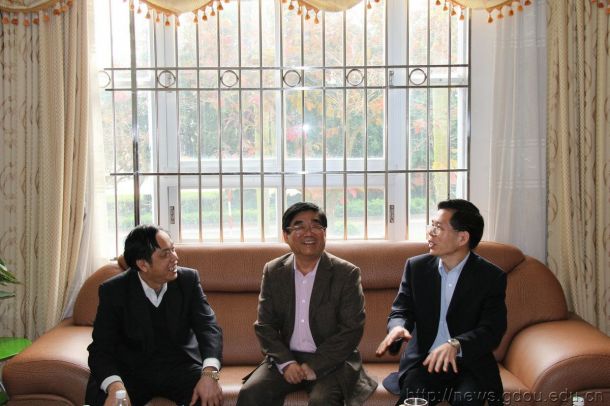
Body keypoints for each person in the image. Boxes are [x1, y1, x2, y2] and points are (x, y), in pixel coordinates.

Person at [236, 202, 377, 406]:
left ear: (324, 233)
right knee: (251, 393)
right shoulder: (274, 271)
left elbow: (351, 329)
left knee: (322, 400)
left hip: (332, 361)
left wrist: (314, 365)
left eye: (316, 226)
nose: (309, 232)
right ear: (286, 236)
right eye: (299, 226)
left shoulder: (346, 274)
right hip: (286, 357)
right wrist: (287, 363)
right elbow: (265, 325)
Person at [376, 199, 507, 406]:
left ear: (462, 237)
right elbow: (401, 310)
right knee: (413, 402)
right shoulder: (416, 267)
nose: (430, 233)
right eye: (431, 225)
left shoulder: (490, 277)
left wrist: (456, 344)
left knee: (467, 401)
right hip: (425, 363)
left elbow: (492, 329)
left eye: (438, 227)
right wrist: (398, 327)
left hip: (469, 364)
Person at [86, 225, 223, 406]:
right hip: (130, 371)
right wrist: (115, 387)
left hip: (180, 367)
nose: (175, 257)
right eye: (165, 254)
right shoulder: (114, 291)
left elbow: (209, 328)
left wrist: (210, 374)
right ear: (143, 264)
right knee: (105, 399)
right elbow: (100, 349)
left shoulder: (188, 281)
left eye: (173, 249)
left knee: (207, 397)